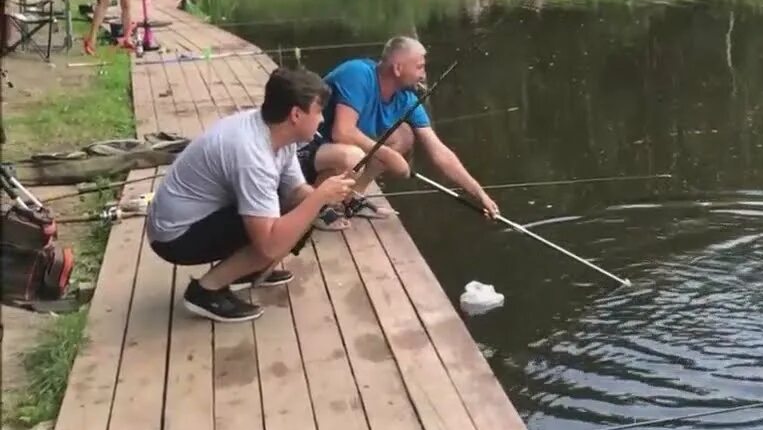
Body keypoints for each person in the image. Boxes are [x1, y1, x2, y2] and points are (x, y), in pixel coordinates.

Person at [145, 67, 355, 323]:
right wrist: (319, 197)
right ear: (296, 115)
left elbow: (295, 191)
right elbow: (269, 245)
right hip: (174, 236)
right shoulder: (253, 154)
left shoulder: (277, 134)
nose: (322, 119)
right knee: (278, 233)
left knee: (294, 211)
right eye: (319, 111)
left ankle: (241, 272)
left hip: (194, 217)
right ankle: (205, 291)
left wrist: (324, 203)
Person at [296, 36, 499, 228]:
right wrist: (387, 154)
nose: (424, 74)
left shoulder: (406, 99)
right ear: (398, 68)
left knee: (403, 135)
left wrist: (479, 193)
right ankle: (315, 208)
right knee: (352, 156)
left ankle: (352, 198)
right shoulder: (358, 74)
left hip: (329, 152)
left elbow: (439, 152)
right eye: (419, 67)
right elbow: (342, 131)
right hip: (301, 151)